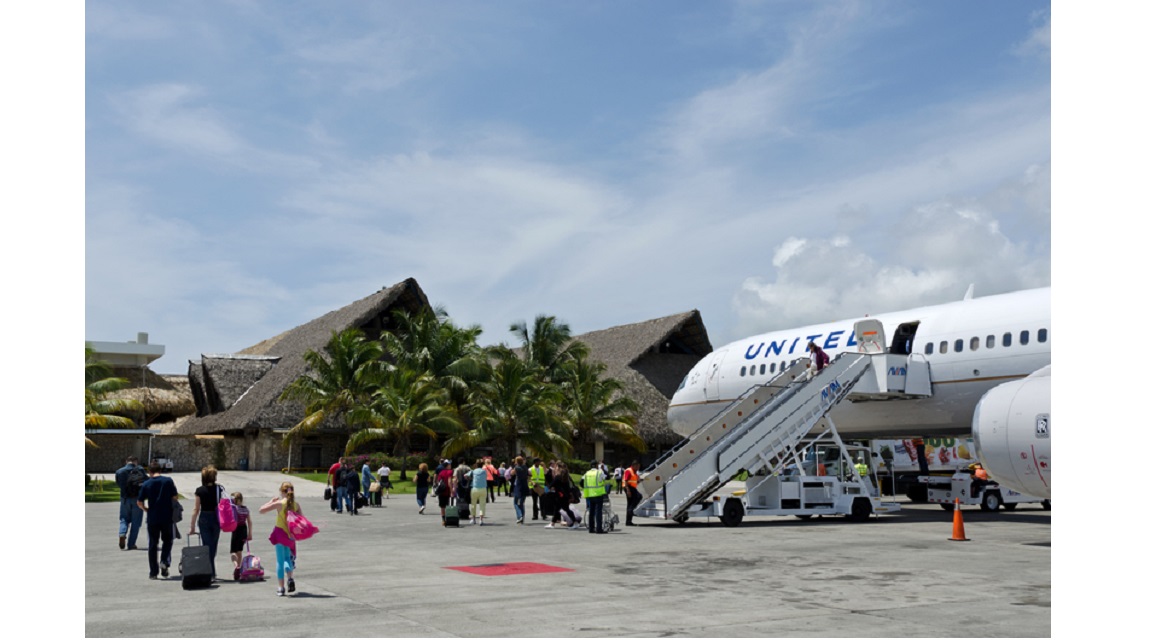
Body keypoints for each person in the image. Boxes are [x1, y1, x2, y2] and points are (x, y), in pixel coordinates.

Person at [136, 461, 178, 580]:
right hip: (167, 516)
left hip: (153, 517)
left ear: (149, 472)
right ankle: (164, 561)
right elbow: (175, 497)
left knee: (153, 544)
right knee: (167, 541)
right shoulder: (168, 481)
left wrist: (146, 509)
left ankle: (153, 572)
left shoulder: (146, 484)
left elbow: (139, 502)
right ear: (160, 470)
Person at [259, 481, 300, 596]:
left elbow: (261, 510)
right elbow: (302, 520)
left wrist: (270, 502)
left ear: (282, 492)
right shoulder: (296, 505)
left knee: (280, 561)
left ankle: (281, 588)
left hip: (279, 533)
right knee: (288, 558)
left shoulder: (279, 504)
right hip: (290, 535)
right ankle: (290, 578)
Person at [188, 464, 224, 581]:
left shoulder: (200, 491)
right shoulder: (219, 489)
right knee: (213, 546)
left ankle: (210, 572)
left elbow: (196, 509)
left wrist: (192, 526)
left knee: (207, 546)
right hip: (216, 518)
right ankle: (211, 571)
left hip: (204, 517)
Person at [115, 456, 146, 550]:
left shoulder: (119, 471)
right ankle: (131, 544)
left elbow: (118, 484)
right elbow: (146, 482)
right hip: (138, 499)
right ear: (135, 461)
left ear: (126, 461)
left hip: (125, 498)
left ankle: (122, 533)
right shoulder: (140, 470)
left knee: (124, 519)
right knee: (136, 522)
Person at [228, 492, 253, 581]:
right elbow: (249, 522)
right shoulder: (246, 509)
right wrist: (250, 533)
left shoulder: (234, 508)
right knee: (239, 551)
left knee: (233, 551)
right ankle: (239, 569)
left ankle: (236, 566)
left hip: (236, 530)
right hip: (243, 530)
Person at [546, 462, 578, 529]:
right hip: (564, 496)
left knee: (566, 509)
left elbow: (551, 485)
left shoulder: (558, 477)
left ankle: (575, 522)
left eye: (556, 467)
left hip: (560, 496)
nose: (555, 468)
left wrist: (548, 488)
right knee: (557, 509)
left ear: (558, 467)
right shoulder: (565, 476)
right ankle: (552, 523)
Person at [583, 460, 608, 534]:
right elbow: (607, 477)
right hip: (598, 494)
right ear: (597, 465)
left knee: (591, 512)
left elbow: (581, 482)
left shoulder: (587, 473)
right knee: (598, 512)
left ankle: (591, 528)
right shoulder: (599, 472)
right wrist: (602, 469)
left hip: (590, 495)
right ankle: (599, 529)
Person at [623, 460, 642, 526]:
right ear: (634, 465)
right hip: (629, 487)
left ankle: (628, 521)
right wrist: (628, 490)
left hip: (632, 488)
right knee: (638, 497)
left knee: (631, 503)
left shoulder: (634, 472)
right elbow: (626, 481)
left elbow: (635, 481)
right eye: (637, 466)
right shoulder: (629, 470)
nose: (638, 468)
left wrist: (639, 480)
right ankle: (631, 510)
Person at [511, 456, 529, 524]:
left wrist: (514, 466)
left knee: (515, 502)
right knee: (522, 503)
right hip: (524, 485)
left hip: (518, 485)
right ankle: (522, 518)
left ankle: (520, 515)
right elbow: (529, 473)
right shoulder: (525, 467)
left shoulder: (516, 468)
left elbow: (511, 473)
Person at [470, 458, 489, 525]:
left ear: (476, 464)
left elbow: (466, 475)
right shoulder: (484, 471)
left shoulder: (473, 471)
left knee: (473, 504)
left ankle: (473, 519)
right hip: (483, 489)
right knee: (482, 504)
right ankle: (481, 519)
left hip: (475, 488)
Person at [435, 461, 455, 525]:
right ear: (447, 466)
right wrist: (451, 490)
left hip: (441, 491)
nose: (450, 465)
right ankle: (448, 519)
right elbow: (449, 481)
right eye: (449, 465)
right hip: (447, 491)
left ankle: (443, 520)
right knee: (448, 505)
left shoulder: (441, 472)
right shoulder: (450, 472)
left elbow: (438, 481)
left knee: (442, 506)